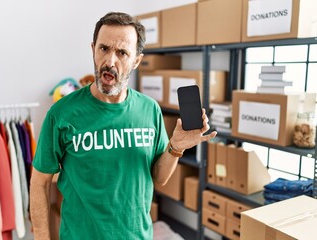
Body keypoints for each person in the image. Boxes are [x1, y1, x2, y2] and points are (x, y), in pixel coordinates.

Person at [30, 11, 217, 240]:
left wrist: (176, 147)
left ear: (136, 60)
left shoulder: (150, 110)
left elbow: (159, 178)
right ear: (93, 49)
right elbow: (39, 182)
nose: (110, 61)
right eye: (104, 48)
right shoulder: (61, 114)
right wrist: (41, 236)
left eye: (122, 53)